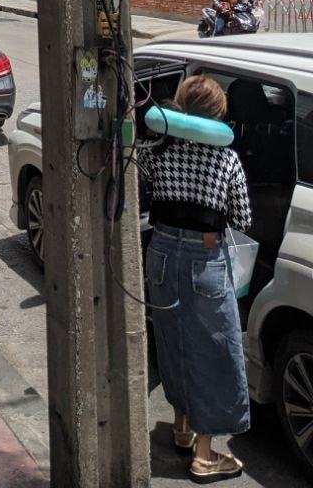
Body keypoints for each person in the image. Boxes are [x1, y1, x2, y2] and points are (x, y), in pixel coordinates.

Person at [140, 75, 252, 483]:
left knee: (173, 341)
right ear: (218, 113)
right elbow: (243, 218)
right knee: (215, 352)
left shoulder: (160, 149)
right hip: (205, 259)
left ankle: (182, 427)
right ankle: (205, 457)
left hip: (161, 254)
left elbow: (144, 188)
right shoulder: (226, 159)